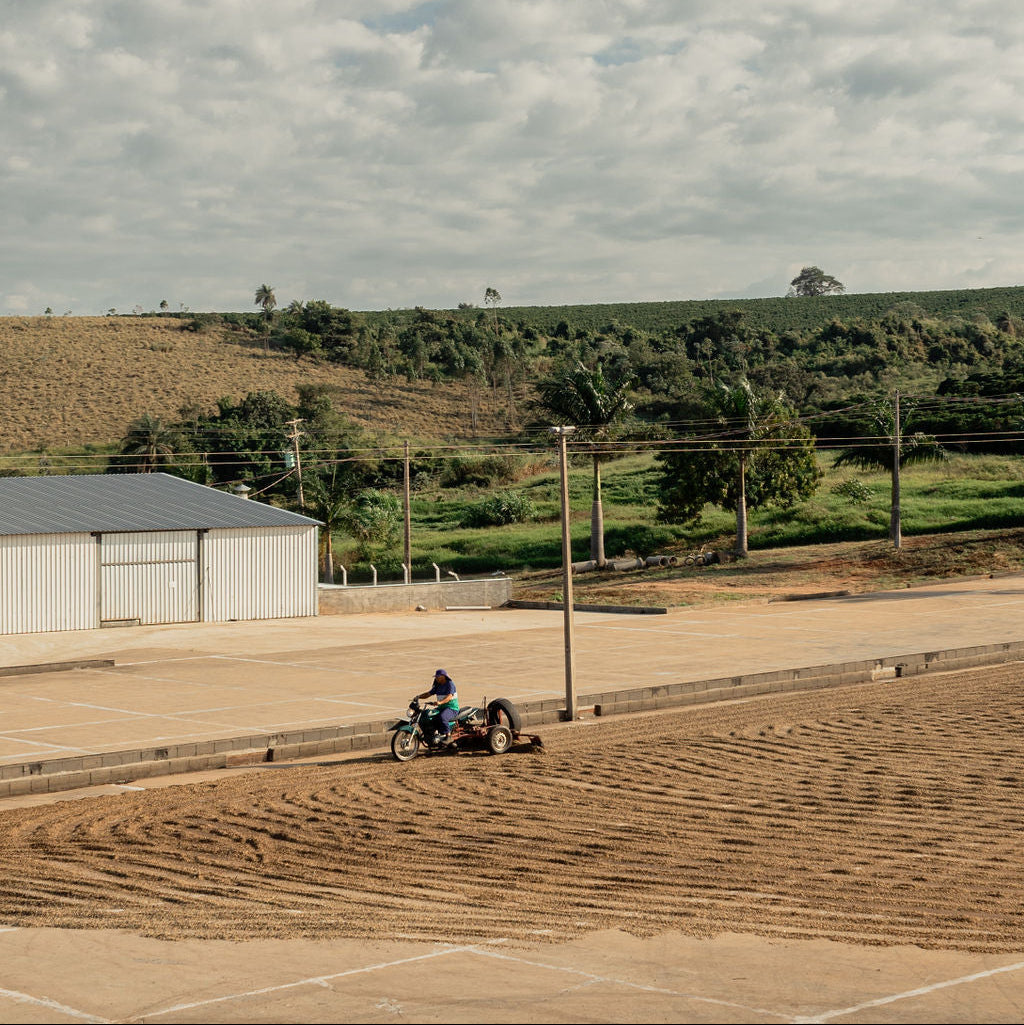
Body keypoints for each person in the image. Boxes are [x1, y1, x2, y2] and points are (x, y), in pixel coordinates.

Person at [417, 669, 459, 745]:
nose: (436, 678)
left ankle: (448, 736)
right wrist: (418, 697)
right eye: (436, 677)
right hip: (441, 708)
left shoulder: (450, 684)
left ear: (443, 677)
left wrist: (440, 702)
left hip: (451, 708)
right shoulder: (438, 685)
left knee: (443, 717)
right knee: (430, 716)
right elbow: (429, 693)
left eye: (438, 677)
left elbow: (449, 697)